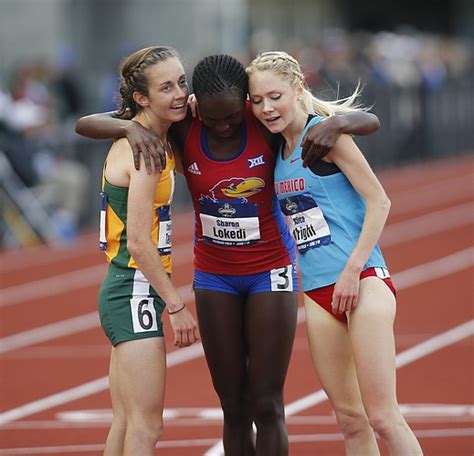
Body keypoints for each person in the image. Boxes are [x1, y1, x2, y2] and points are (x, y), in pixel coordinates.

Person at [76, 53, 380, 456]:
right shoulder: (184, 127)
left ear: (246, 105)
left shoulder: (264, 123)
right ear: (198, 105)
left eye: (232, 117)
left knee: (268, 403)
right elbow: (87, 124)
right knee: (233, 407)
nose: (222, 126)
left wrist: (338, 122)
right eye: (214, 119)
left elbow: (365, 121)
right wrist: (129, 129)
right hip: (214, 277)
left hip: (270, 271)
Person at [246, 51, 423, 456]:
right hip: (319, 293)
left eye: (275, 96)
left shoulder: (325, 137)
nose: (266, 108)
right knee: (350, 420)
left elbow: (379, 201)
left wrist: (352, 269)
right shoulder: (275, 146)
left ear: (298, 89)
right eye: (257, 100)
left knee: (383, 417)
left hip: (361, 283)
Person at [94, 46, 198, 456]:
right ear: (141, 98)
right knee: (146, 426)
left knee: (125, 423)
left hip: (129, 286)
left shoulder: (145, 134)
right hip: (134, 287)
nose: (179, 94)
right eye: (166, 87)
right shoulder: (146, 151)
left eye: (182, 82)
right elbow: (138, 239)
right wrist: (176, 305)